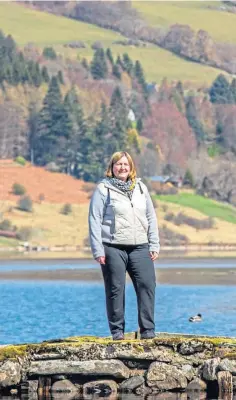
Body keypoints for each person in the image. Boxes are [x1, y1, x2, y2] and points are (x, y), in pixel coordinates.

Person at [88, 151, 160, 340]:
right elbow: (94, 219)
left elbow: (151, 217)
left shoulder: (141, 188)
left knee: (147, 285)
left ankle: (147, 331)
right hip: (113, 247)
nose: (122, 167)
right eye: (118, 164)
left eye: (125, 164)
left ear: (131, 167)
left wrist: (154, 244)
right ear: (112, 167)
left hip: (140, 247)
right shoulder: (103, 189)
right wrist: (98, 249)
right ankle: (117, 332)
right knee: (115, 289)